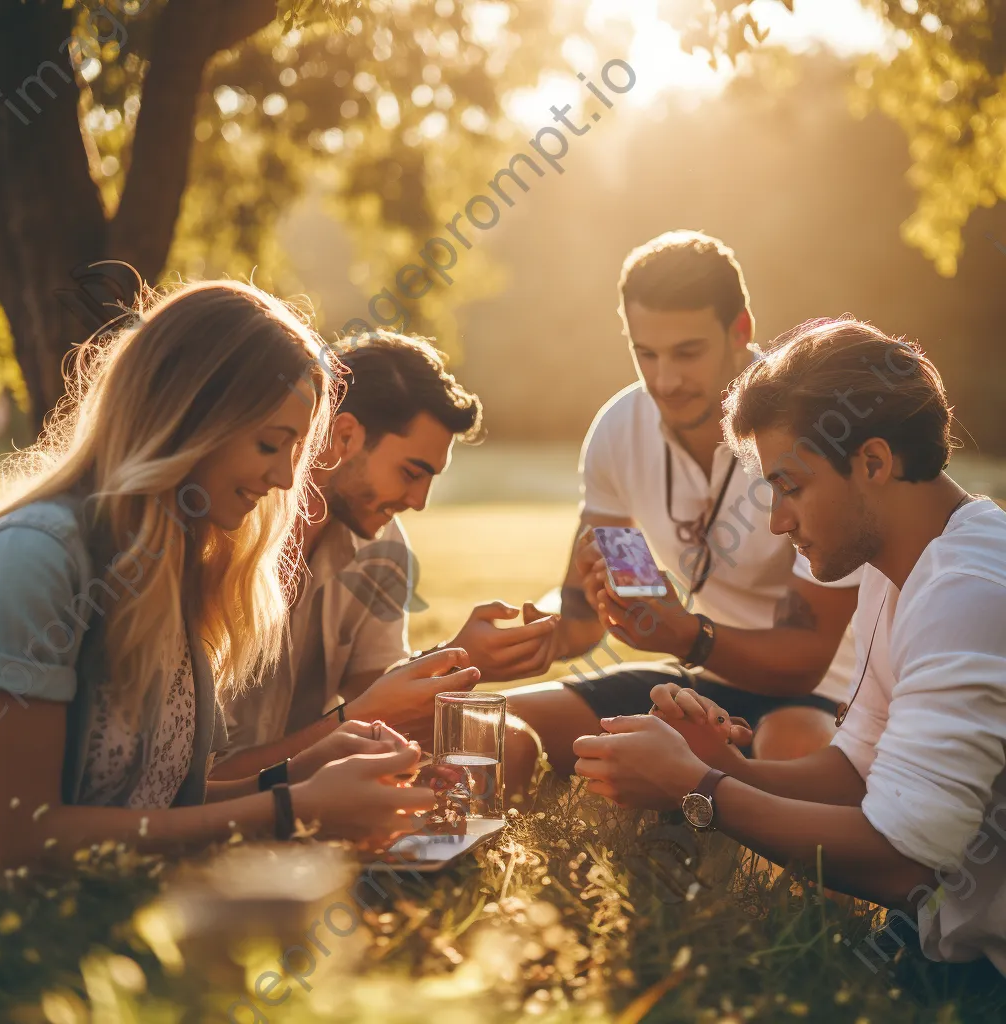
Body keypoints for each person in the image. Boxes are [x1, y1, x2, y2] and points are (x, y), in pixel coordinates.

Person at [574, 318, 1006, 974]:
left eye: (790, 487)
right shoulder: (902, 568)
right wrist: (727, 764)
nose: (778, 521)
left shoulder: (964, 590)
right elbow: (857, 772)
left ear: (873, 462)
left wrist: (699, 787)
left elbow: (903, 864)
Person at [0, 281, 438, 872]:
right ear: (189, 421)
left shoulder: (180, 567)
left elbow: (167, 808)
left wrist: (310, 767)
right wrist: (290, 809)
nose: (283, 479)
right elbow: (14, 841)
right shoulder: (39, 559)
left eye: (295, 451)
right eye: (271, 444)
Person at [506, 231, 859, 772]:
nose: (665, 381)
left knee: (790, 754)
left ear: (740, 330)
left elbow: (804, 659)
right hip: (697, 685)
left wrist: (686, 635)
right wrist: (539, 631)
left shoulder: (809, 429)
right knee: (494, 727)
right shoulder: (619, 429)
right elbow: (583, 611)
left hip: (821, 695)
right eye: (645, 354)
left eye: (687, 353)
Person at [215, 331, 554, 787]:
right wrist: (354, 726)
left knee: (511, 745)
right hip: (218, 784)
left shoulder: (383, 545)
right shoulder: (229, 528)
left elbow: (377, 691)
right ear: (345, 436)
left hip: (323, 759)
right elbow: (187, 776)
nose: (419, 501)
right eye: (411, 473)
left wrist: (461, 659)